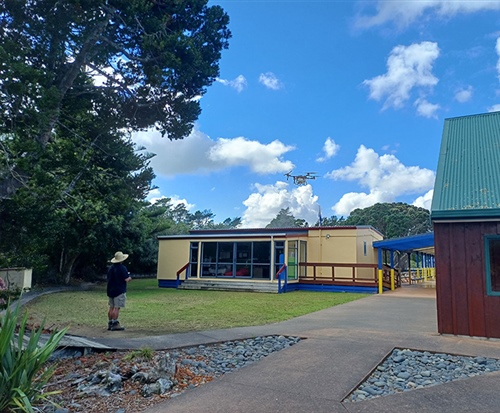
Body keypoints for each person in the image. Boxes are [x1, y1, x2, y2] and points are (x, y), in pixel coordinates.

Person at [107, 251, 132, 331]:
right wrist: (130, 278)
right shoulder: (122, 268)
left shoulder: (111, 268)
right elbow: (126, 279)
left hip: (110, 289)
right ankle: (115, 323)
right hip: (119, 290)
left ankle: (110, 322)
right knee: (117, 308)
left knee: (111, 307)